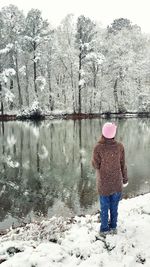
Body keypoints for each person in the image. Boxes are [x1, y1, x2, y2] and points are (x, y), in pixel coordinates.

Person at [92, 122, 128, 236]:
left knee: (104, 208)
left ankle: (104, 229)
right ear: (114, 134)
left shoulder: (98, 147)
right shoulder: (120, 147)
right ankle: (113, 227)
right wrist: (125, 179)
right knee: (114, 207)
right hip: (117, 183)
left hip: (104, 185)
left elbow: (95, 165)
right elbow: (123, 165)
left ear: (103, 133)